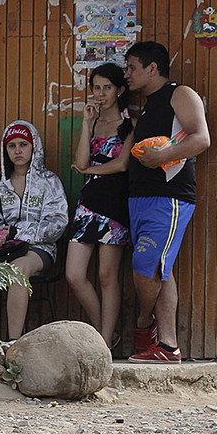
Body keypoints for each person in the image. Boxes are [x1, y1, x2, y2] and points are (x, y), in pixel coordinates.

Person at [122, 41, 210, 364]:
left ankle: (144, 325)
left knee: (146, 267)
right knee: (162, 268)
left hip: (169, 198)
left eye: (132, 67)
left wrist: (162, 156)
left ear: (152, 68)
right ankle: (169, 346)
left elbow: (202, 138)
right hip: (140, 197)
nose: (127, 73)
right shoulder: (145, 105)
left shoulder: (180, 94)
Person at [0, 121, 68, 341]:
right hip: (3, 249)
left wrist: (17, 232)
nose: (17, 150)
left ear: (33, 147)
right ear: (5, 150)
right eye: (12, 145)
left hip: (39, 249)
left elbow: (57, 225)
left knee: (18, 270)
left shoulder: (49, 182)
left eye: (23, 144)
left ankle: (13, 342)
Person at [65, 63, 135, 352]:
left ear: (120, 90)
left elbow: (122, 164)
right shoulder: (92, 123)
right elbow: (80, 163)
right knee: (74, 274)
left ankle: (105, 342)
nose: (101, 93)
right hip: (88, 204)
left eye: (108, 87)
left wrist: (91, 169)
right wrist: (85, 124)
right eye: (96, 87)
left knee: (108, 276)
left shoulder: (131, 123)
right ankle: (103, 330)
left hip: (116, 203)